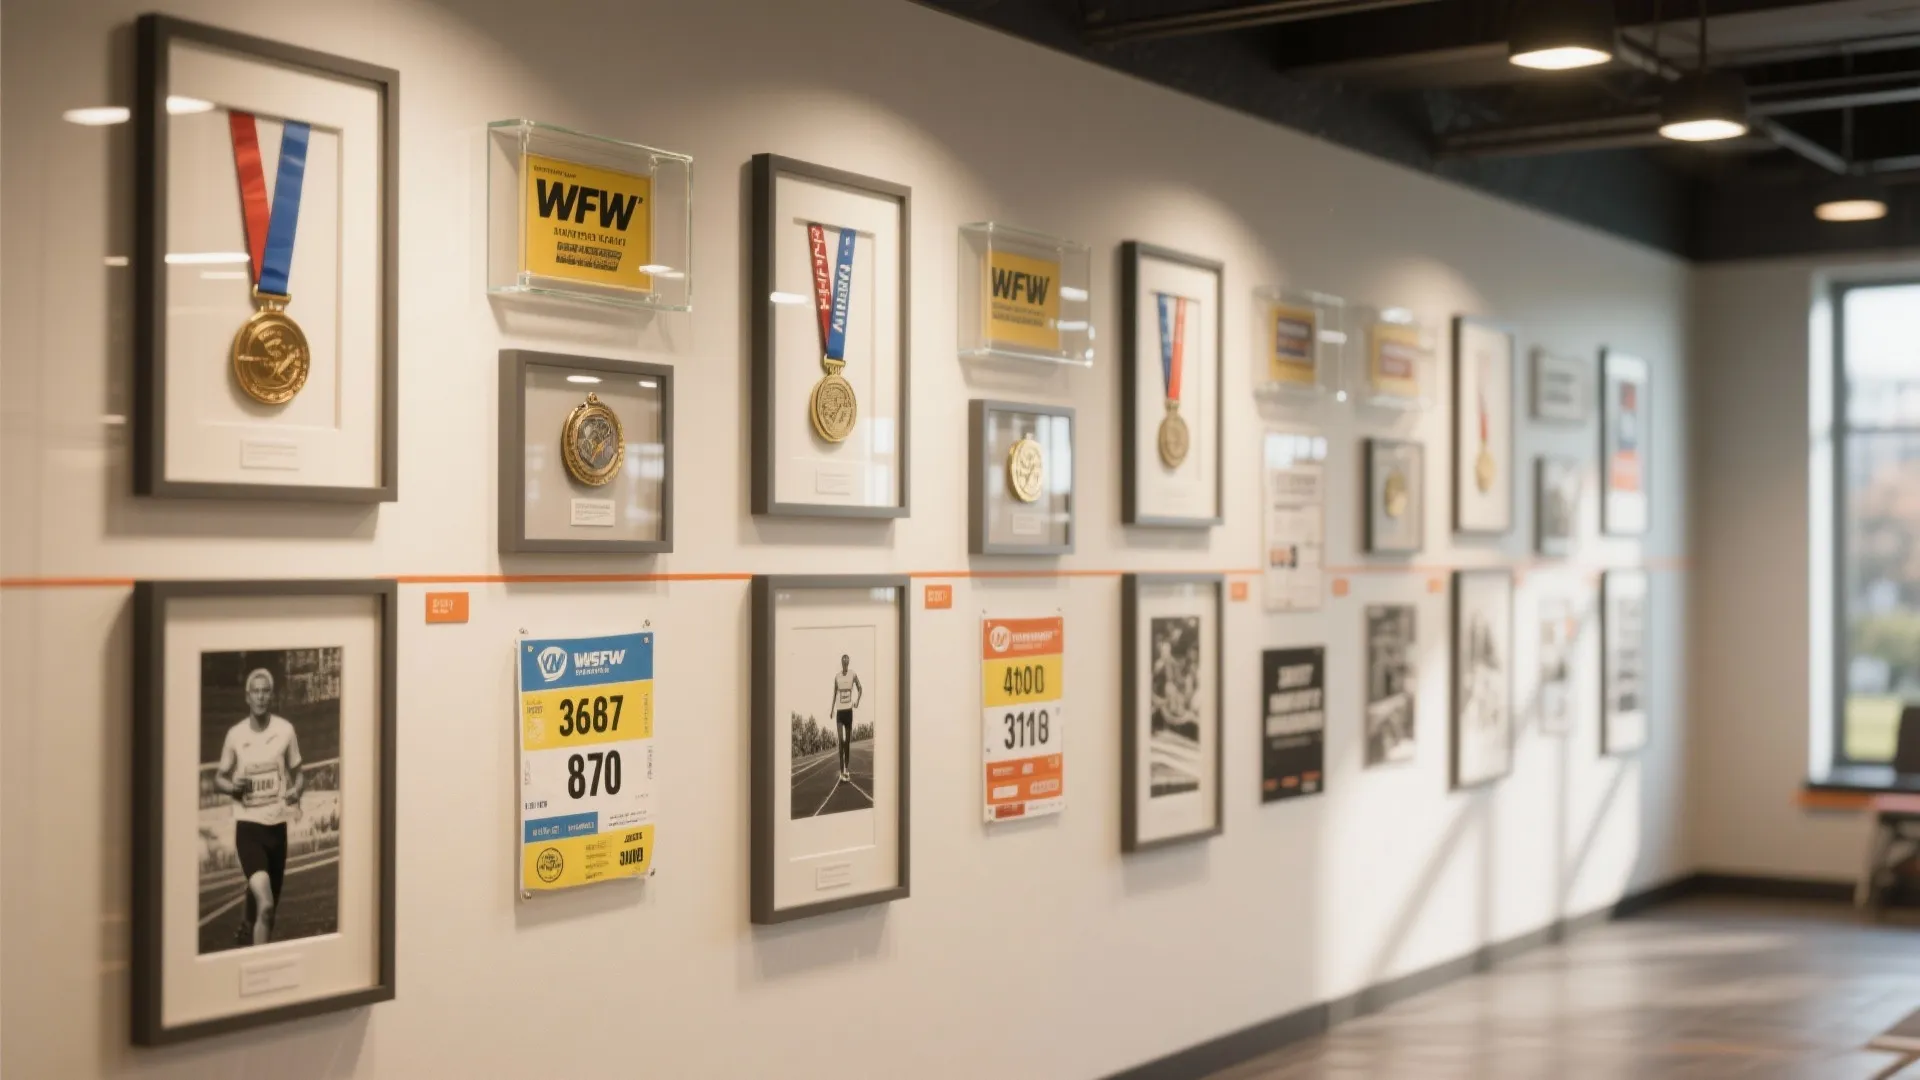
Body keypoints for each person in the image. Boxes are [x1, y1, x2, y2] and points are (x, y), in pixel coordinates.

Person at [213, 668, 304, 947]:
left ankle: (248, 927)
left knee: (269, 911)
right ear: (247, 697)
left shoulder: (285, 731)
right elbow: (219, 778)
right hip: (249, 829)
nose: (261, 696)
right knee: (265, 904)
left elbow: (299, 773)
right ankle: (256, 961)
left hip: (277, 830)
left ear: (271, 696)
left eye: (266, 691)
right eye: (256, 691)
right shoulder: (236, 735)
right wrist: (233, 787)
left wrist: (295, 790)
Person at [828, 654, 863, 782]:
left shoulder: (853, 674)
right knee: (841, 743)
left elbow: (860, 688)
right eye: (843, 662)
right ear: (841, 663)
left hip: (848, 712)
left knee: (847, 742)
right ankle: (842, 772)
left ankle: (846, 770)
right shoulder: (837, 677)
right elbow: (834, 693)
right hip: (839, 713)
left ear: (849, 663)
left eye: (847, 662)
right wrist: (831, 710)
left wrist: (857, 701)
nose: (845, 664)